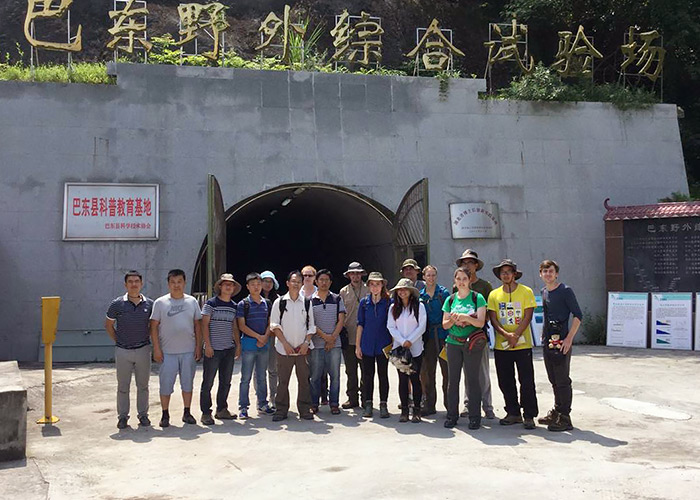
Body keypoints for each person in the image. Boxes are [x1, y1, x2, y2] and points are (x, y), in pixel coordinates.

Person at [487, 259, 539, 429]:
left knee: (526, 380)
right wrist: (506, 335)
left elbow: (528, 315)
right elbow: (493, 318)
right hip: (502, 345)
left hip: (522, 344)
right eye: (503, 272)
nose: (506, 274)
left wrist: (516, 335)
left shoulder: (526, 291)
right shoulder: (494, 294)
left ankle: (529, 415)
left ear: (515, 274)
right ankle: (513, 412)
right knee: (505, 380)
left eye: (509, 271)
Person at [150, 269, 202, 428]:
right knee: (166, 384)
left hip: (188, 351)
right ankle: (165, 414)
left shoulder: (192, 301)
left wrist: (199, 346)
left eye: (179, 281)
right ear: (168, 284)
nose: (176, 285)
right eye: (173, 282)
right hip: (167, 353)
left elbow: (197, 325)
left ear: (184, 283)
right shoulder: (160, 303)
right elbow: (153, 327)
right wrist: (156, 349)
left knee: (187, 384)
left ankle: (187, 412)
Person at [105, 270, 154, 429]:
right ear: (125, 285)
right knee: (123, 386)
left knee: (143, 386)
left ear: (141, 283)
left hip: (143, 350)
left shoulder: (150, 304)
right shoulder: (117, 304)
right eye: (130, 282)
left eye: (136, 281)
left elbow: (153, 327)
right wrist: (119, 340)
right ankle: (123, 417)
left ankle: (143, 415)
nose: (134, 284)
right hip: (123, 351)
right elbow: (109, 325)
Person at [537, 259, 582, 432]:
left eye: (551, 271)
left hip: (563, 340)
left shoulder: (565, 291)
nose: (548, 274)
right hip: (549, 340)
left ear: (556, 274)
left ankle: (565, 417)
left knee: (562, 379)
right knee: (553, 378)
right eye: (544, 271)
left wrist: (569, 339)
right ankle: (556, 411)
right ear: (540, 274)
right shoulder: (544, 292)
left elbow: (578, 315)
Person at [442, 267, 488, 429]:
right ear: (454, 281)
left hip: (471, 344)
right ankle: (451, 416)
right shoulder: (450, 299)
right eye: (458, 279)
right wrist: (454, 320)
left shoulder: (478, 298)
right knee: (452, 380)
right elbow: (445, 324)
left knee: (473, 380)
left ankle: (475, 417)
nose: (461, 282)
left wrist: (466, 318)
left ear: (469, 281)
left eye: (464, 279)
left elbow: (481, 322)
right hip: (453, 343)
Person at [269, 270, 317, 421]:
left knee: (304, 380)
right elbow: (274, 325)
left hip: (302, 349)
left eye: (298, 281)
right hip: (284, 349)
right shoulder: (280, 302)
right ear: (287, 283)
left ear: (302, 283)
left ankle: (304, 409)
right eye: (293, 281)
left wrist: (306, 343)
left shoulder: (307, 302)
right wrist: (285, 343)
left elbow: (311, 326)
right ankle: (281, 410)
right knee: (283, 381)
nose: (296, 284)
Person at [456, 249, 496, 420]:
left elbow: (488, 312)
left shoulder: (484, 286)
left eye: (471, 262)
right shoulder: (457, 286)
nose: (468, 265)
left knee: (483, 372)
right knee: (468, 372)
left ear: (476, 265)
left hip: (479, 334)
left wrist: (474, 320)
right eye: (465, 263)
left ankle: (487, 406)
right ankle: (468, 404)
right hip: (462, 334)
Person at [199, 273, 241, 425]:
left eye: (231, 284)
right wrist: (207, 345)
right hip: (213, 349)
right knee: (208, 382)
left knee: (226, 381)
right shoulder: (211, 304)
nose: (228, 286)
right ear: (220, 287)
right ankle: (205, 412)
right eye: (225, 284)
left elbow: (234, 326)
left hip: (228, 349)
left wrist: (237, 345)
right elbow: (204, 325)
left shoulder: (234, 306)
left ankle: (222, 409)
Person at [387, 278, 427, 423]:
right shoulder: (393, 308)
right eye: (400, 290)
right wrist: (403, 341)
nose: (402, 292)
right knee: (402, 380)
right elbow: (391, 327)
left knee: (415, 380)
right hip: (399, 349)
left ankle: (417, 410)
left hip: (415, 348)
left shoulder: (419, 306)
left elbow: (421, 326)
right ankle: (404, 410)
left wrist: (410, 340)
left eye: (405, 289)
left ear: (411, 292)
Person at [237, 272, 275, 420]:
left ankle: (262, 404)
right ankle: (243, 407)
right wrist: (259, 337)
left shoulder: (267, 303)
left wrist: (265, 337)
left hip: (264, 346)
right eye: (253, 284)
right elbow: (242, 326)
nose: (256, 287)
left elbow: (269, 323)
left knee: (262, 376)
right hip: (249, 346)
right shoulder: (243, 304)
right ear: (247, 287)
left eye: (258, 284)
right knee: (245, 377)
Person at [355, 272, 392, 419]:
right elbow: (360, 325)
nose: (375, 287)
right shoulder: (364, 303)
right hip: (367, 344)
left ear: (382, 285)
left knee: (383, 375)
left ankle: (383, 404)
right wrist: (358, 346)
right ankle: (368, 404)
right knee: (367, 375)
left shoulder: (388, 302)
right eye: (372, 284)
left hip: (383, 344)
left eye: (378, 284)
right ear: (368, 286)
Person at [309, 269, 346, 414]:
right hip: (317, 344)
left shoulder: (337, 298)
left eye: (327, 280)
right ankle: (314, 403)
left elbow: (341, 319)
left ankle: (334, 403)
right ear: (316, 282)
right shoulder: (310, 301)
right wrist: (325, 337)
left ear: (330, 282)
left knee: (335, 375)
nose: (324, 282)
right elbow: (310, 322)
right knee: (315, 376)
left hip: (335, 344)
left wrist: (332, 338)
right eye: (321, 280)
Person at [418, 265, 450, 417]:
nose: (431, 278)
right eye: (428, 275)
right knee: (427, 372)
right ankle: (429, 404)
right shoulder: (420, 296)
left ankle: (450, 404)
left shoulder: (443, 293)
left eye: (433, 275)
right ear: (423, 277)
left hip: (444, 336)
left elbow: (449, 313)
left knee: (447, 372)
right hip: (428, 337)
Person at [338, 262, 369, 409]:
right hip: (349, 336)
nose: (355, 276)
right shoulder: (343, 292)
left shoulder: (369, 289)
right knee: (350, 370)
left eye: (358, 273)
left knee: (366, 370)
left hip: (366, 337)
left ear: (361, 274)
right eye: (353, 273)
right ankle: (352, 398)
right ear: (349, 275)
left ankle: (365, 398)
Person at [300, 264, 327, 405]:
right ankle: (309, 398)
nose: (307, 278)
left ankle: (324, 395)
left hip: (318, 336)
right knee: (307, 369)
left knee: (321, 368)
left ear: (315, 278)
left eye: (310, 275)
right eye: (304, 275)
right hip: (301, 336)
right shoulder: (297, 294)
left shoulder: (321, 293)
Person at [260, 270, 280, 410]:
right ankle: (260, 398)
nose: (267, 284)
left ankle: (273, 397)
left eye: (270, 281)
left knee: (273, 369)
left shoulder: (278, 299)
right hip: (258, 338)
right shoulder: (252, 299)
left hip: (273, 338)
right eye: (265, 281)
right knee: (259, 370)